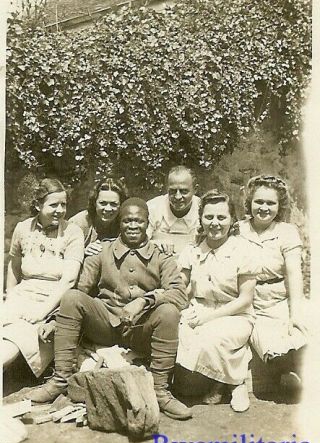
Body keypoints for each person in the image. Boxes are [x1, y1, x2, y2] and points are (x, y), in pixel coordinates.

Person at [29, 197, 192, 421]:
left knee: (169, 312)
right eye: (127, 221)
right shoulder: (101, 252)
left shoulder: (161, 256)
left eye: (139, 221)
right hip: (104, 325)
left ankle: (160, 391)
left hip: (140, 329)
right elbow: (81, 291)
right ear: (120, 223)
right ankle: (60, 380)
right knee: (71, 296)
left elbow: (179, 294)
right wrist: (56, 320)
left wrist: (145, 301)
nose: (133, 226)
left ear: (148, 223)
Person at [176, 190, 260, 412]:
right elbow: (180, 289)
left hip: (235, 315)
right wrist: (181, 309)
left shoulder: (244, 251)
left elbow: (245, 300)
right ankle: (219, 380)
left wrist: (207, 318)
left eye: (221, 217)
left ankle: (234, 383)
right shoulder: (192, 251)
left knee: (209, 337)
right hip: (199, 310)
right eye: (209, 217)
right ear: (201, 219)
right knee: (178, 334)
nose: (215, 223)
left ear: (232, 219)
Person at [3, 178, 84, 377]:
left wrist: (41, 311)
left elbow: (69, 281)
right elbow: (14, 267)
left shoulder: (73, 232)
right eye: (53, 205)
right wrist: (9, 295)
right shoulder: (22, 228)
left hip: (52, 301)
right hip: (22, 295)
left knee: (15, 339)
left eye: (63, 204)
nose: (60, 210)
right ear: (38, 205)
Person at [238, 175, 307, 384]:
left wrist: (296, 313)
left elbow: (294, 273)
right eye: (259, 202)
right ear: (249, 203)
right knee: (269, 343)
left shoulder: (287, 232)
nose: (264, 208)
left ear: (279, 205)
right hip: (250, 301)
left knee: (301, 331)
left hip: (279, 299)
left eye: (271, 203)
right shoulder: (237, 230)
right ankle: (285, 371)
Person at [69, 176, 129, 256]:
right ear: (94, 203)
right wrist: (82, 251)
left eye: (113, 204)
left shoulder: (125, 223)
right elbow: (62, 252)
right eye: (103, 203)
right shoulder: (79, 222)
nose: (108, 209)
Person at [147, 166, 200, 255]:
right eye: (172, 191)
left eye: (184, 191)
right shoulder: (153, 207)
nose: (178, 197)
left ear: (195, 189)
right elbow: (138, 242)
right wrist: (156, 244)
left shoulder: (203, 209)